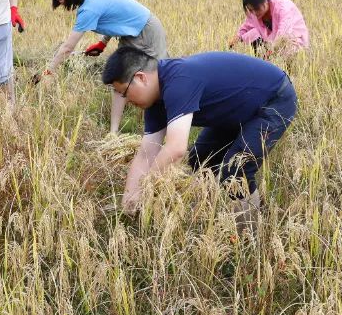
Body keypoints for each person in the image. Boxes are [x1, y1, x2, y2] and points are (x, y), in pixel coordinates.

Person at [102, 48, 297, 225]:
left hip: (273, 100)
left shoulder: (179, 82)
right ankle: (212, 217)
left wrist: (144, 190)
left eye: (124, 93)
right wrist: (129, 198)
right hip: (235, 110)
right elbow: (146, 153)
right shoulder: (154, 101)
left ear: (141, 78)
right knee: (200, 159)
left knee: (235, 172)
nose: (126, 101)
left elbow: (176, 149)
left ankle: (250, 240)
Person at [38, 0, 167, 134]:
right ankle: (113, 133)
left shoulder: (89, 8)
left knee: (154, 79)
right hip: (131, 33)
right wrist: (102, 43)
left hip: (145, 32)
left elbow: (68, 48)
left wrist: (48, 72)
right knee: (120, 80)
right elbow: (115, 19)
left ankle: (165, 126)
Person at [228, 0, 309, 58]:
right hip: (271, 40)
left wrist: (268, 56)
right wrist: (236, 39)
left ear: (266, 1)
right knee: (250, 36)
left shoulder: (283, 8)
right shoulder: (254, 11)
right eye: (250, 10)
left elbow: (282, 38)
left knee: (286, 51)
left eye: (256, 9)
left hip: (293, 41)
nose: (254, 13)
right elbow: (246, 26)